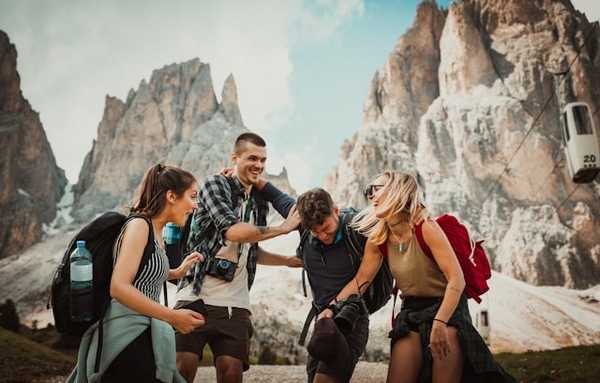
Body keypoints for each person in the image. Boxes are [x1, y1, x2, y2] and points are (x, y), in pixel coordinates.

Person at [335, 170, 516, 383]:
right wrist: (330, 308)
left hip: (447, 309)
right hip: (411, 311)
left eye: (376, 189)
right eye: (369, 190)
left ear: (397, 190)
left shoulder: (426, 228)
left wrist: (440, 323)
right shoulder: (379, 238)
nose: (370, 195)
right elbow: (361, 280)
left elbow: (457, 279)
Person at [174, 132, 301, 383]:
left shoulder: (258, 201)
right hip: (196, 296)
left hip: (236, 304)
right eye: (252, 158)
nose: (259, 165)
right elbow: (232, 231)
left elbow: (251, 248)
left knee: (232, 374)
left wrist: (286, 260)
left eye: (263, 160)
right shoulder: (214, 185)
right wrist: (282, 229)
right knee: (181, 372)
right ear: (234, 157)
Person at [68, 163, 206, 383]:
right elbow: (119, 287)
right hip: (125, 333)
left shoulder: (157, 231)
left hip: (144, 329)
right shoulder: (140, 226)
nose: (195, 206)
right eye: (192, 196)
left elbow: (142, 273)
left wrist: (177, 271)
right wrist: (172, 317)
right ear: (171, 196)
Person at [256, 182, 371, 383]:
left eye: (326, 228)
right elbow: (276, 197)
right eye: (315, 232)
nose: (323, 236)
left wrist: (333, 308)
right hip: (323, 322)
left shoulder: (357, 229)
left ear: (335, 210)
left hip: (350, 318)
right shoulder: (303, 224)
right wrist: (244, 175)